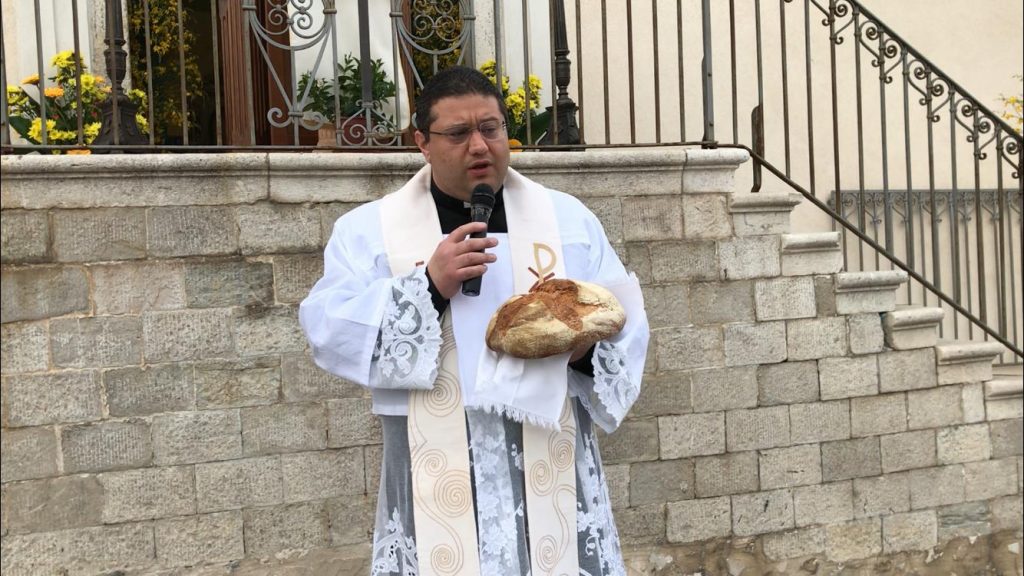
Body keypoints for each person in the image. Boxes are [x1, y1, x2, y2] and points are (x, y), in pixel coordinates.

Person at [299, 66, 649, 576]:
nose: (480, 145)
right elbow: (327, 326)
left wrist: (584, 349)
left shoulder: (568, 220)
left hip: (547, 450)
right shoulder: (369, 230)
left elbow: (622, 322)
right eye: (459, 133)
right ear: (422, 142)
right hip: (437, 463)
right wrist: (428, 286)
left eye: (491, 128)